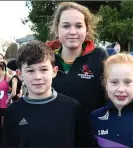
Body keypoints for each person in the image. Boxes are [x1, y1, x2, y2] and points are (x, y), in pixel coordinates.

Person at [45, 2, 108, 146]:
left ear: (87, 29)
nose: (72, 31)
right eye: (66, 26)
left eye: (78, 26)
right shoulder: (46, 59)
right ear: (57, 28)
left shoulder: (99, 56)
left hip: (91, 138)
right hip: (54, 138)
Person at [2, 40, 81, 147]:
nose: (38, 77)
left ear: (54, 71)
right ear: (19, 74)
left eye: (43, 69)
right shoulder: (12, 112)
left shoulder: (72, 107)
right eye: (30, 71)